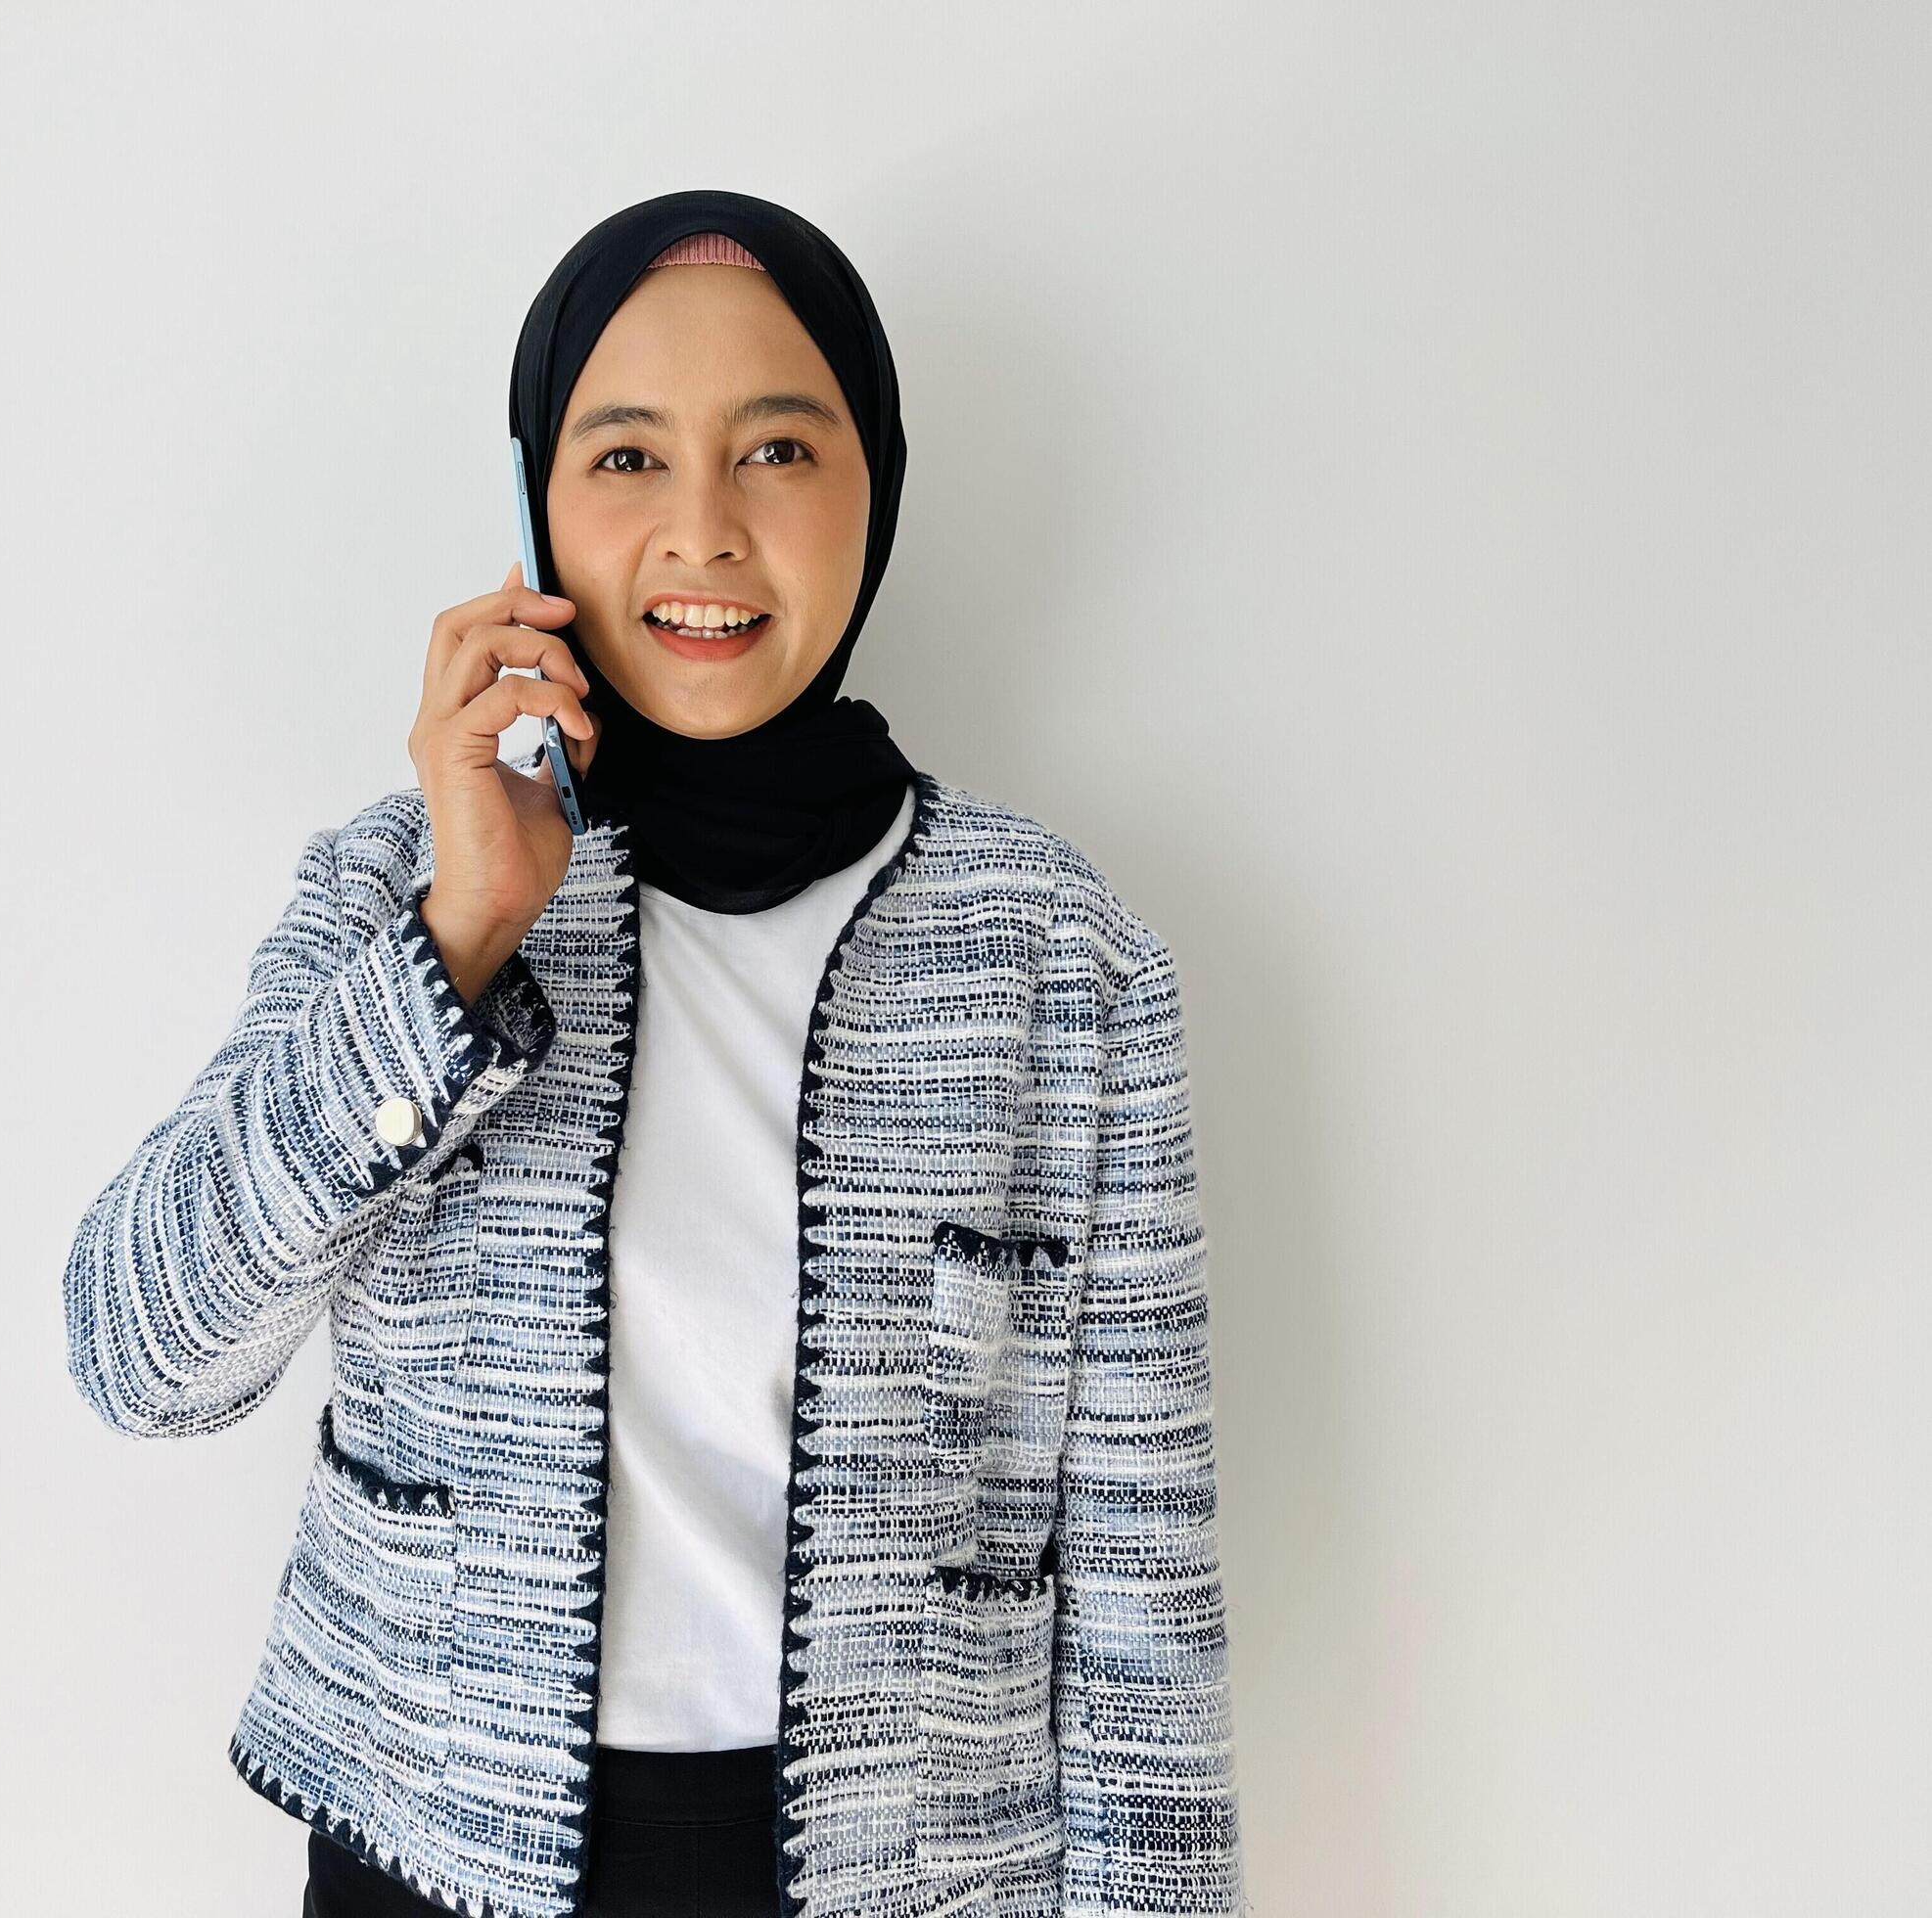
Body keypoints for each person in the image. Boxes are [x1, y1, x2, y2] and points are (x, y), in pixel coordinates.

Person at [65, 189, 1250, 1918]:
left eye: (777, 449)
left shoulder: (1055, 957)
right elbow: (139, 1354)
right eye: (626, 459)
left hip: (902, 1872)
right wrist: (457, 939)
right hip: (439, 1841)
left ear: (877, 486)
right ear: (541, 498)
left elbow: (1145, 1578)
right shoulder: (402, 890)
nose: (702, 530)